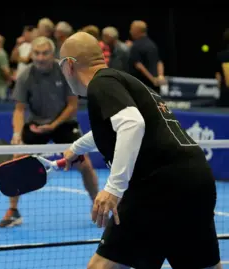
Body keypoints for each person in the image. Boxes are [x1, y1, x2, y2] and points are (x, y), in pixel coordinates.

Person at [58, 32, 221, 269]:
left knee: (102, 266)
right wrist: (75, 148)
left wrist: (114, 189)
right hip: (196, 182)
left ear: (70, 65)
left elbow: (132, 124)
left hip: (156, 186)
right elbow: (116, 126)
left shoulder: (100, 83)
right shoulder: (124, 80)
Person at [0, 36, 99, 228]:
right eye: (37, 53)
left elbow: (72, 106)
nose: (41, 57)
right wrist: (17, 134)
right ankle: (13, 211)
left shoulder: (65, 72)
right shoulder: (25, 75)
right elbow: (19, 110)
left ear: (52, 54)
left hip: (64, 123)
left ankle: (97, 204)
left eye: (45, 53)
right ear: (32, 54)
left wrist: (53, 126)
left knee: (84, 163)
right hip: (36, 124)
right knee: (16, 161)